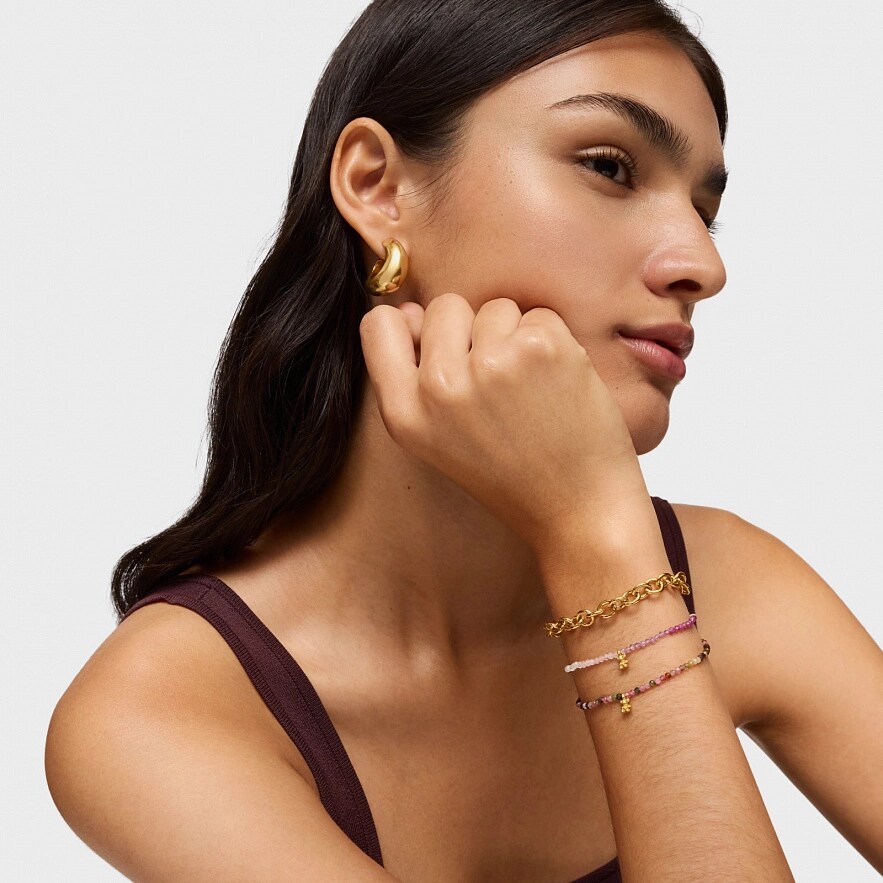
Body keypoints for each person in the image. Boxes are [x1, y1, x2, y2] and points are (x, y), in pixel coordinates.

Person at [44, 1, 883, 880]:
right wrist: (601, 543)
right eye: (608, 167)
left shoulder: (734, 583)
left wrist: (602, 545)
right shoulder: (163, 709)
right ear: (378, 188)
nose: (701, 266)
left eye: (703, 211)